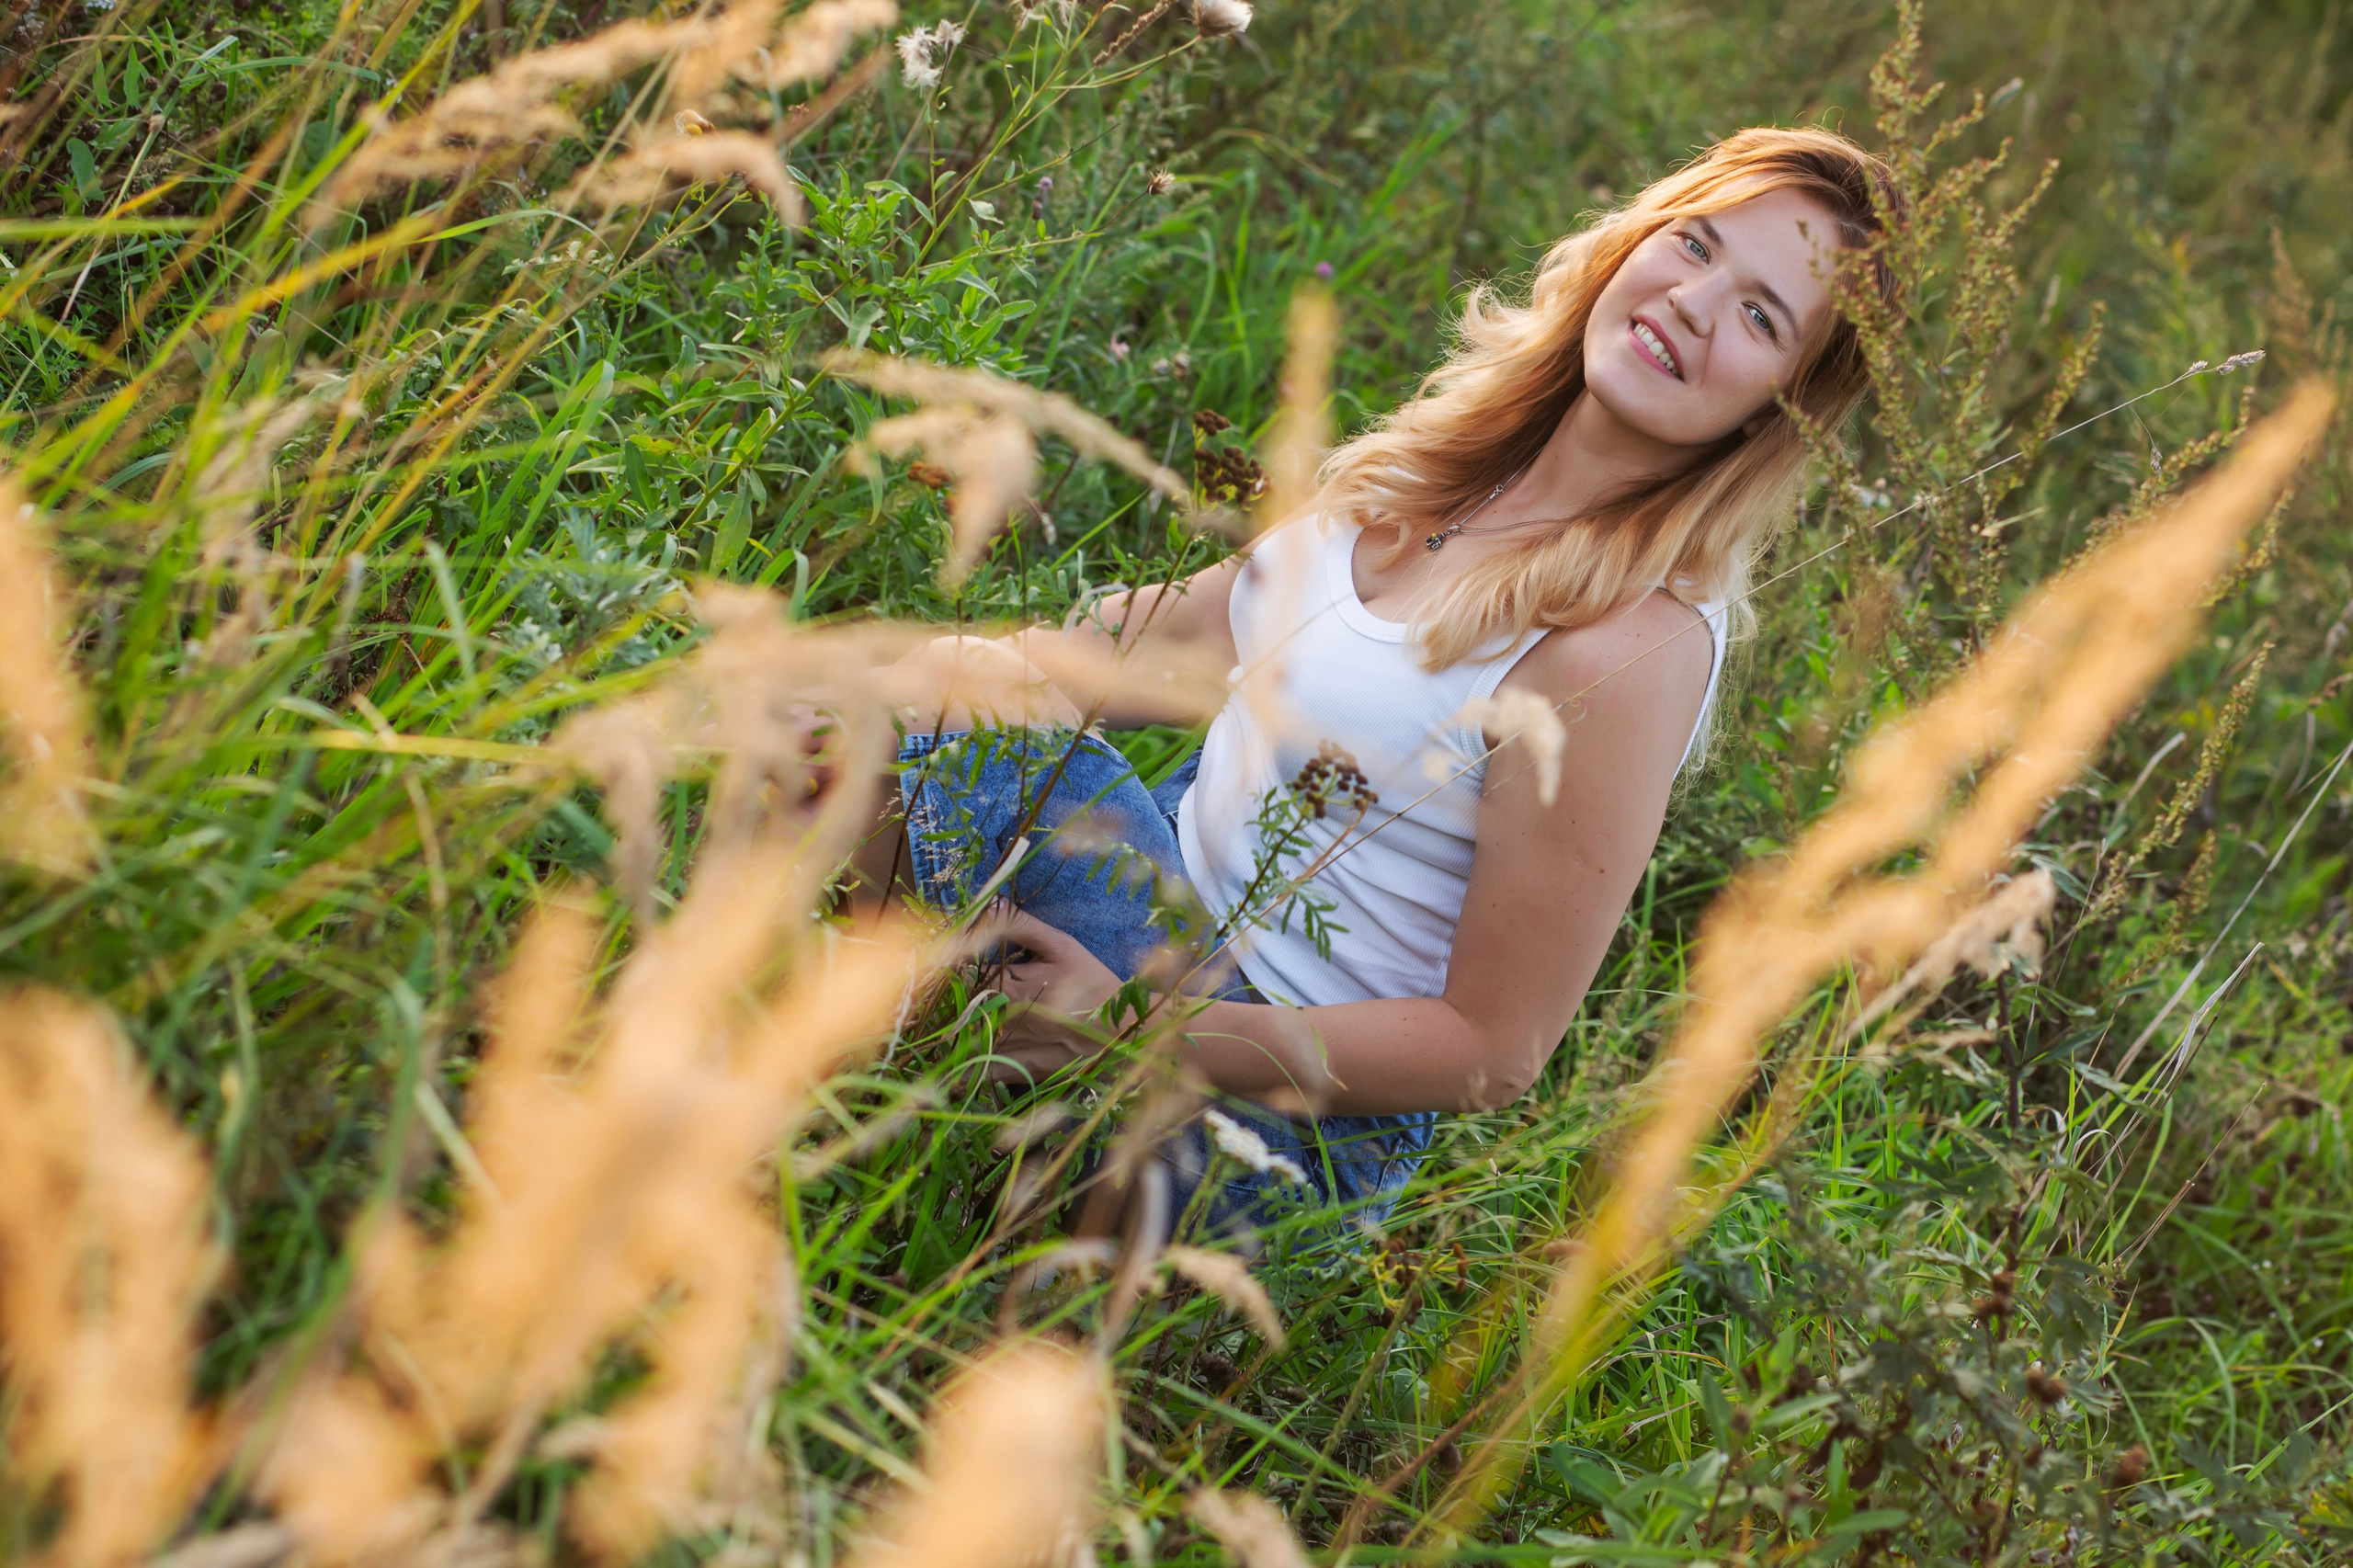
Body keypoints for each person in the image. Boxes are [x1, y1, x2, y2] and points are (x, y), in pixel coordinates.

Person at [856, 126, 1896, 1242]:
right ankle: (874, 1104)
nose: (1693, 302)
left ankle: (882, 1128)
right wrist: (919, 675)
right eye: (1693, 244)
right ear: (1633, 240)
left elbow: (1493, 1047)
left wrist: (1130, 1029)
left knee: (903, 746)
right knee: (878, 710)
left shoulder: (1628, 645)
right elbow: (1175, 640)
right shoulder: (1458, 463)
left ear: (1781, 408)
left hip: (1275, 1108)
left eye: (1759, 316)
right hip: (1155, 896)